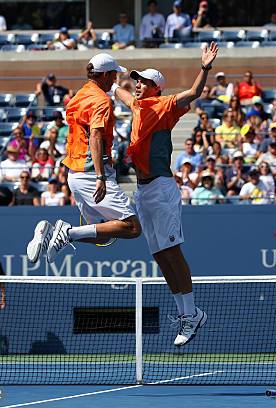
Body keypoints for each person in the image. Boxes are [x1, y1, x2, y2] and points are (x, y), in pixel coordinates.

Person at [111, 42, 219, 347]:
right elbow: (115, 89)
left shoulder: (165, 105)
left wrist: (205, 67)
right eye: (136, 81)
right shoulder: (135, 104)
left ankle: (191, 314)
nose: (137, 85)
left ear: (155, 87)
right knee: (159, 255)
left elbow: (194, 93)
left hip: (161, 188)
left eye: (142, 81)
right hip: (143, 192)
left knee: (173, 252)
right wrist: (111, 72)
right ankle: (187, 313)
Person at [27, 53, 141, 265]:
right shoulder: (101, 101)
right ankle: (67, 232)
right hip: (92, 173)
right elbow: (96, 135)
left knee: (103, 234)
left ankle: (52, 231)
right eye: (114, 74)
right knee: (132, 227)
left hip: (75, 173)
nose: (115, 78)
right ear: (105, 74)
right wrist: (100, 176)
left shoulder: (78, 96)